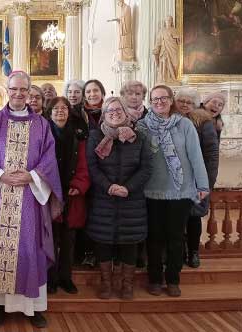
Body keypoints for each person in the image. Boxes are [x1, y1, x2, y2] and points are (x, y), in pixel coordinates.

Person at [0, 71, 63, 328]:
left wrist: (31, 176)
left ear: (30, 92)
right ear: (7, 90)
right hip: (0, 195)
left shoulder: (41, 125)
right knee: (0, 251)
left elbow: (48, 158)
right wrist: (1, 176)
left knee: (29, 248)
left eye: (24, 90)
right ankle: (0, 305)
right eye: (14, 89)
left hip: (29, 198)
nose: (19, 94)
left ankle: (31, 307)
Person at [138, 85, 209, 297]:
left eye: (163, 98)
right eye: (155, 99)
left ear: (171, 101)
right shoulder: (142, 126)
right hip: (152, 189)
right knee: (155, 237)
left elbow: (196, 156)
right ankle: (155, 279)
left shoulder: (184, 125)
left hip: (180, 190)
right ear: (150, 102)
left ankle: (173, 279)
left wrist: (202, 184)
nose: (159, 102)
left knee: (176, 237)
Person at [86, 97, 152, 300]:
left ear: (126, 113)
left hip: (131, 200)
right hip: (103, 198)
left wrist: (127, 188)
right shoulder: (95, 136)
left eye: (118, 110)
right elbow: (92, 167)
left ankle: (127, 285)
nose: (114, 113)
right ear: (104, 114)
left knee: (129, 242)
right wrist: (109, 187)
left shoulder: (138, 138)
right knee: (103, 241)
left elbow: (146, 168)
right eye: (109, 110)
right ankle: (106, 284)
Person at [46, 97, 90, 295]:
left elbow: (83, 164)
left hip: (71, 193)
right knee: (50, 239)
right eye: (56, 108)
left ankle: (66, 277)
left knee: (68, 239)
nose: (60, 112)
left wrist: (79, 185)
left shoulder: (78, 135)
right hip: (49, 193)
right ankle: (51, 279)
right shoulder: (44, 133)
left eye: (64, 108)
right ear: (50, 112)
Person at [175, 88, 219, 268]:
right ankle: (179, 252)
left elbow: (211, 154)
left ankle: (193, 251)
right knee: (175, 218)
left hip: (195, 179)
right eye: (181, 101)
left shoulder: (204, 122)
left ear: (195, 104)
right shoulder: (169, 119)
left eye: (189, 102)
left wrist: (207, 183)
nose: (185, 105)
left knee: (193, 217)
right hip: (173, 179)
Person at [119, 80, 149, 268]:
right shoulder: (115, 114)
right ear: (123, 96)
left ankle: (141, 256)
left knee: (142, 218)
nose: (134, 97)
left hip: (144, 174)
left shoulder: (150, 115)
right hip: (121, 175)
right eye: (130, 93)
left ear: (143, 97)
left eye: (138, 94)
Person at [153, 16, 180, 83]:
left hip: (173, 50)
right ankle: (165, 79)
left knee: (176, 64)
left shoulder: (175, 30)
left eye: (170, 20)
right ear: (165, 21)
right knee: (165, 63)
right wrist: (156, 49)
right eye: (167, 20)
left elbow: (178, 42)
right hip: (165, 50)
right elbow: (158, 42)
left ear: (172, 21)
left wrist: (178, 39)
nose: (168, 21)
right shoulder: (161, 31)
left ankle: (174, 78)